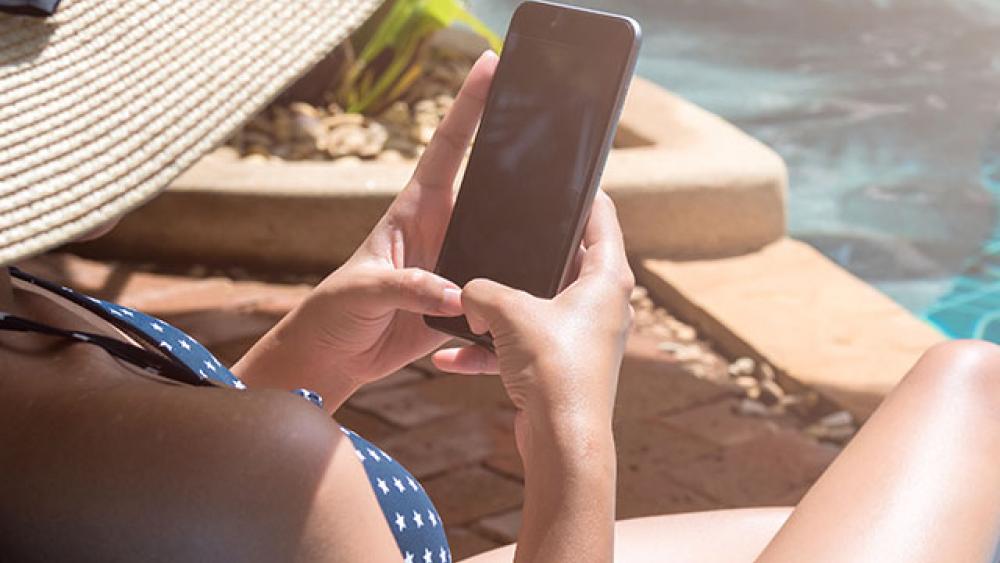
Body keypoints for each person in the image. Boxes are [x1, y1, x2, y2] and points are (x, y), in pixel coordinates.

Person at [3, 1, 1000, 562]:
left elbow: (186, 485)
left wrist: (310, 350)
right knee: (969, 390)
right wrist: (573, 430)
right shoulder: (261, 469)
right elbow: (219, 484)